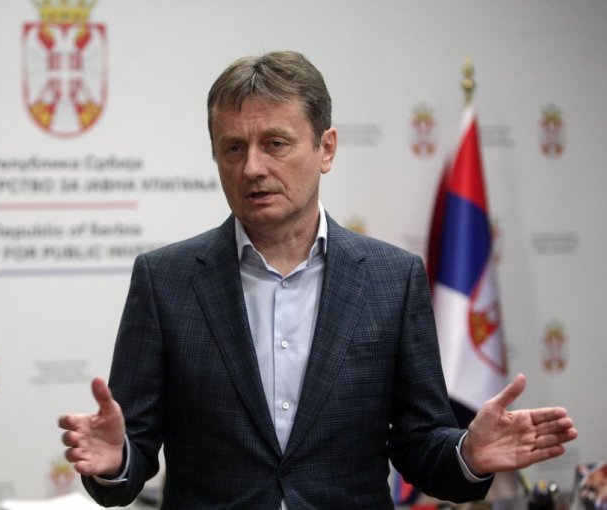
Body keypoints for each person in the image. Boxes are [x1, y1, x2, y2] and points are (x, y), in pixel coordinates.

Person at [59, 50, 577, 509]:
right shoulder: (165, 281)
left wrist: (468, 454)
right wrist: (115, 461)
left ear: (326, 149)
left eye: (275, 143)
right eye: (233, 148)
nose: (252, 167)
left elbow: (419, 443)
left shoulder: (392, 279)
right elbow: (131, 456)